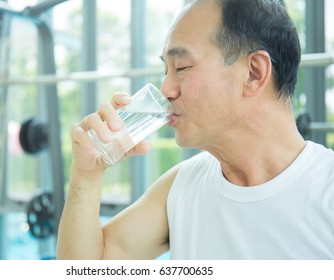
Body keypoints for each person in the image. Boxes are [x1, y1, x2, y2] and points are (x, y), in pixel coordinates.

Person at [56, 0, 334, 260]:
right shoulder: (183, 184)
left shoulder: (326, 190)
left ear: (254, 72)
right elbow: (91, 266)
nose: (165, 90)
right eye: (166, 70)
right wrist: (86, 176)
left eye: (182, 67)